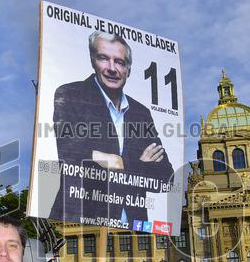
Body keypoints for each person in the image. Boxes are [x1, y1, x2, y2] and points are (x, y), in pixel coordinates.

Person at [50, 31, 175, 226]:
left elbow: (166, 177)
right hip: (81, 222)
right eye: (103, 58)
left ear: (128, 69)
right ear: (93, 60)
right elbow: (70, 154)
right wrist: (139, 164)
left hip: (135, 227)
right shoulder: (70, 94)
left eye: (119, 62)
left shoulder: (141, 113)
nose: (112, 68)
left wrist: (117, 161)